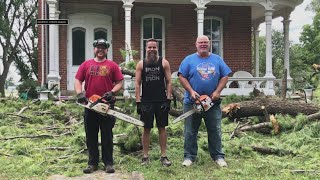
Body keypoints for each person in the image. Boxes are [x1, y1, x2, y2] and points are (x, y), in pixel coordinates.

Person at [178, 35, 231, 167]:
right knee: (190, 130)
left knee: (214, 129)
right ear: (196, 44)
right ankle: (189, 156)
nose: (203, 44)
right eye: (200, 42)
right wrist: (191, 91)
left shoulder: (217, 59)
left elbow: (225, 76)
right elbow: (181, 76)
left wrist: (217, 92)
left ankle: (218, 156)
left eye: (205, 42)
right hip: (192, 102)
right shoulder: (189, 60)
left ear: (209, 44)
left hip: (212, 103)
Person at [75, 38, 124, 173]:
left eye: (103, 47)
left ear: (107, 50)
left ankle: (108, 163)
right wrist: (80, 94)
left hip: (106, 105)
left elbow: (120, 82)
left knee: (107, 134)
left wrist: (112, 92)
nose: (100, 49)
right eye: (98, 47)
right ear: (94, 49)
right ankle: (92, 163)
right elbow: (78, 80)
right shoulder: (86, 64)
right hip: (90, 105)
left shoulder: (112, 65)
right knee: (91, 135)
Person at [135, 38, 172, 166]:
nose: (151, 50)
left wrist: (168, 99)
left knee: (162, 128)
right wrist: (138, 102)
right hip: (146, 101)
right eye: (149, 47)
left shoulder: (164, 63)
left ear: (157, 48)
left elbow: (169, 82)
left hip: (161, 100)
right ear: (145, 49)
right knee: (146, 129)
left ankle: (163, 156)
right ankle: (145, 157)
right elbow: (138, 83)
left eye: (154, 47)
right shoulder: (141, 64)